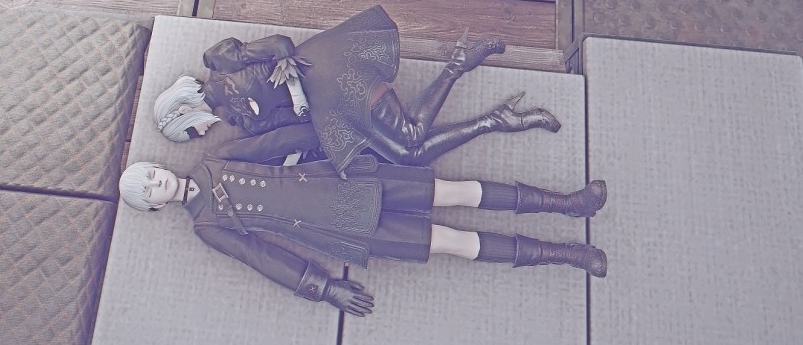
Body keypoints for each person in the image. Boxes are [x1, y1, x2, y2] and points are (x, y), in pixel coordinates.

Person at [119, 151, 608, 316]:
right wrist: (322, 286)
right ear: (155, 205)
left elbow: (278, 140)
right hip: (342, 229)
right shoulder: (207, 226)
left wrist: (340, 143)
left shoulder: (213, 160)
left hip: (344, 180)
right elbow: (261, 257)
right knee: (452, 242)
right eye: (149, 190)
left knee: (454, 191)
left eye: (151, 174)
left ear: (158, 166)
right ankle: (565, 254)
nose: (157, 182)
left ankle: (567, 203)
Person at [154, 6, 561, 177]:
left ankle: (465, 73)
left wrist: (292, 83)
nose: (200, 134)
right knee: (409, 156)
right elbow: (295, 122)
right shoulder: (239, 121)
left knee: (411, 139)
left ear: (184, 111)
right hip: (328, 111)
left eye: (190, 131)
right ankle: (492, 112)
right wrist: (295, 158)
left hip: (328, 71)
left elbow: (280, 45)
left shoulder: (219, 61)